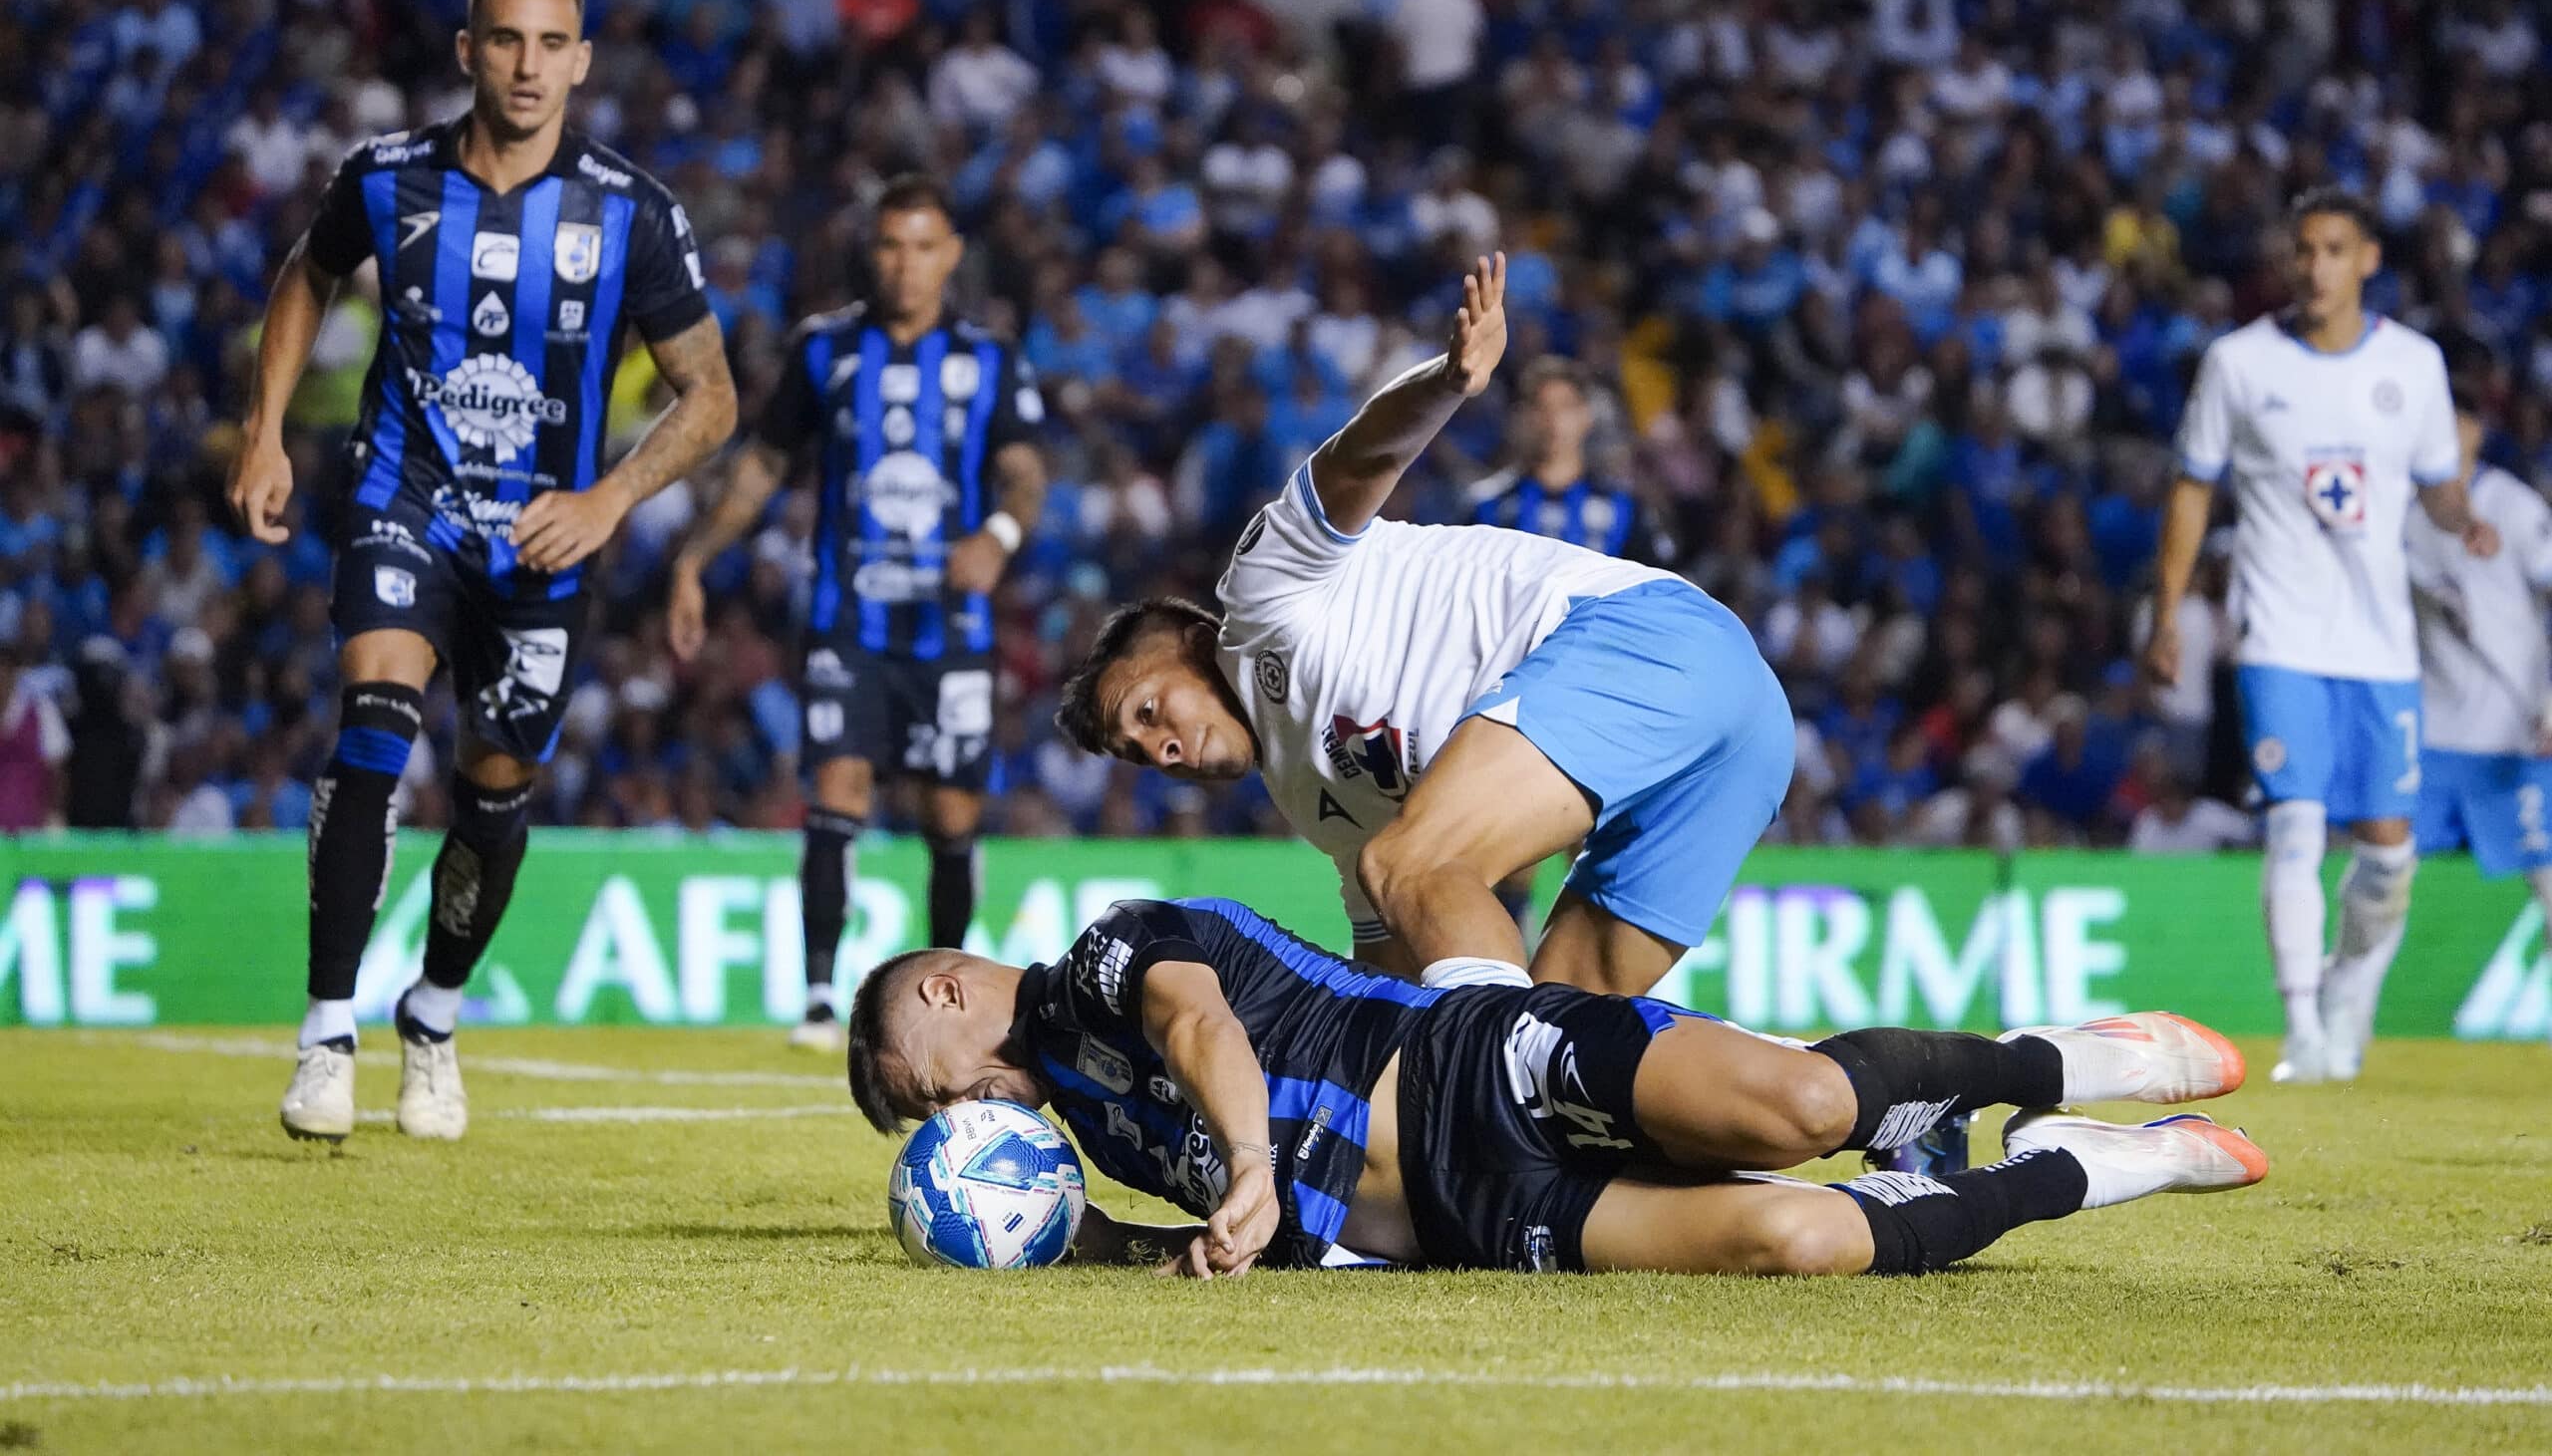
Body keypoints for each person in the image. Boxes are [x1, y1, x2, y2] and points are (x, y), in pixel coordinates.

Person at [229, 0, 736, 1144]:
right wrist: (265, 433)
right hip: (405, 503)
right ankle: (323, 1033)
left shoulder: (631, 210)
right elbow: (307, 276)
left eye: (550, 44)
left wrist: (611, 498)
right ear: (468, 51)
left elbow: (709, 395)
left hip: (548, 547)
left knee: (495, 794)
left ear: (581, 61)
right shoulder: (389, 179)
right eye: (504, 40)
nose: (525, 64)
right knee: (372, 728)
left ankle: (434, 1015)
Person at [1057, 256, 1790, 1001]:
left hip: (1647, 637)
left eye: (1148, 712)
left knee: (1413, 869)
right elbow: (1393, 976)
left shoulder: (1260, 598)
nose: (1162, 749)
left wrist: (1446, 382)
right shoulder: (1307, 798)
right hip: (1746, 727)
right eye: (1140, 754)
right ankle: (1873, 1099)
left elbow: (1354, 461)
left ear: (1189, 639)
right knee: (1571, 1037)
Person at [846, 897, 2264, 1278]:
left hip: (1477, 1068)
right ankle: (2094, 1162)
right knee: (1804, 1237)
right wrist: (1124, 1246)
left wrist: (1252, 1160)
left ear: (958, 996)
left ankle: (2057, 1061)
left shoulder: (1096, 961)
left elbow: (1207, 1026)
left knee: (1812, 1114)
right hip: (1475, 1218)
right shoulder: (1080, 1135)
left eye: (934, 1085)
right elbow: (1234, 1223)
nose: (956, 1113)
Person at [668, 174, 1045, 1051]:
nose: (905, 265)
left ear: (951, 255)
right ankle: (815, 996)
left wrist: (995, 535)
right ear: (868, 252)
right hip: (849, 622)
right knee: (836, 791)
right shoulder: (823, 351)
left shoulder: (991, 359)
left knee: (951, 821)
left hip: (950, 632)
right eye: (889, 245)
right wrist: (694, 557)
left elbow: (1027, 473)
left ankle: (948, 985)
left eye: (923, 246)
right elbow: (763, 465)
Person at [2142, 187, 2493, 1086]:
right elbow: (2192, 486)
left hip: (2381, 648)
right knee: (2294, 827)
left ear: (2367, 259)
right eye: (2303, 249)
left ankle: (2348, 985)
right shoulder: (2240, 363)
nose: (2316, 266)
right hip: (2279, 635)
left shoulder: (2412, 366)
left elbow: (2435, 485)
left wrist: (2462, 517)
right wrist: (2167, 612)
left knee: (2386, 856)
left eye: (2335, 249)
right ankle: (2301, 1025)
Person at [1464, 356, 1676, 930]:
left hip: (1600, 701)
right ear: (1522, 419)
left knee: (1597, 852)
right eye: (1540, 408)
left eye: (1565, 407)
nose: (1552, 422)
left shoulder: (1626, 510)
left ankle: (1595, 995)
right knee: (1510, 857)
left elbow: (1659, 607)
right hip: (1510, 701)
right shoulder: (1485, 508)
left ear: (1586, 418)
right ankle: (1502, 994)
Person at [2404, 375, 2552, 1050]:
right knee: (2381, 871)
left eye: (2457, 423)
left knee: (2547, 880)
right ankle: (2332, 1030)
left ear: (2476, 431)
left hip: (2512, 731)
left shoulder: (2513, 507)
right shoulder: (2401, 510)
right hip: (2431, 731)